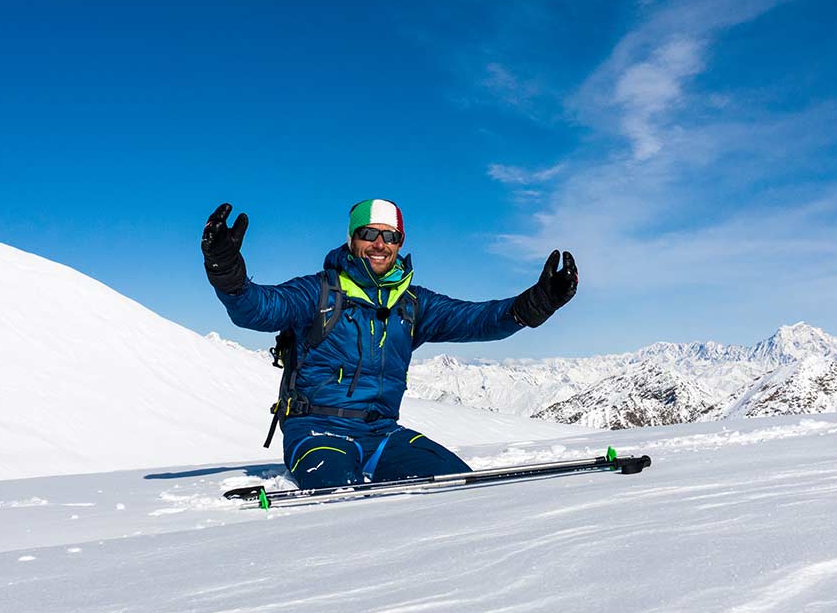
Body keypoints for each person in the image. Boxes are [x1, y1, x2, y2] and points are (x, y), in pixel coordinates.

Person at [202, 198, 576, 489]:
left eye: (390, 236)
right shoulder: (317, 292)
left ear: (399, 243)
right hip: (317, 430)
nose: (379, 244)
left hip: (382, 433)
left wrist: (534, 305)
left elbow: (479, 320)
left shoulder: (412, 304)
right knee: (338, 499)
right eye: (369, 234)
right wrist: (226, 269)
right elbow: (255, 309)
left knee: (461, 489)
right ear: (352, 239)